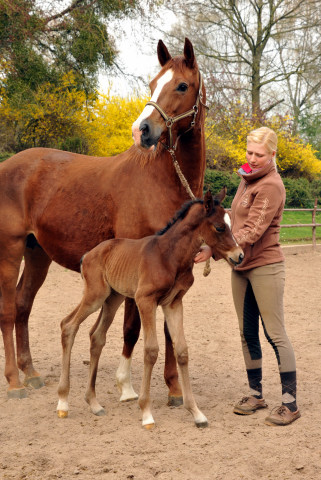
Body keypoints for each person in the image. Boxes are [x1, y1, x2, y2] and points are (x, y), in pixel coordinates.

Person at [195, 126, 300, 426]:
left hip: (265, 266)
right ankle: (256, 394)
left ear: (273, 155)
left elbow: (253, 229)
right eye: (249, 152)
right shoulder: (246, 178)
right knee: (247, 332)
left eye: (259, 154)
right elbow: (234, 218)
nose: (252, 159)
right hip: (239, 267)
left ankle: (290, 404)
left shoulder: (271, 185)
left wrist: (215, 251)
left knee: (274, 333)